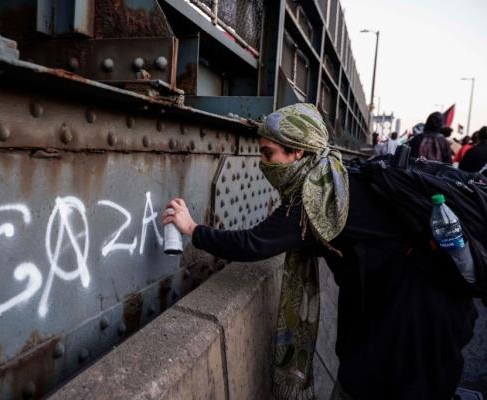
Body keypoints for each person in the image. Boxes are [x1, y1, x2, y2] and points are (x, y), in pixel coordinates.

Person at [162, 104, 477, 400]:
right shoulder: (340, 174)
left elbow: (253, 244)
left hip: (404, 332)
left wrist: (192, 229)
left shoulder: (316, 196)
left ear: (298, 151)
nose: (262, 163)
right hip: (436, 318)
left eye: (268, 153)